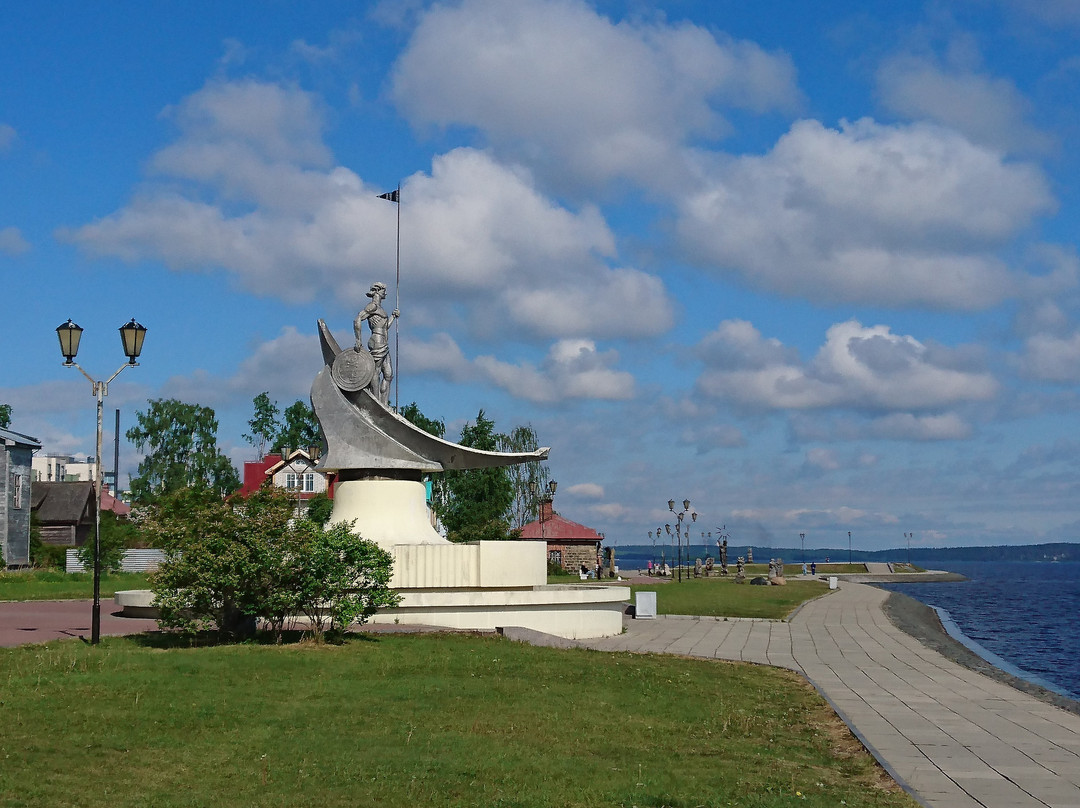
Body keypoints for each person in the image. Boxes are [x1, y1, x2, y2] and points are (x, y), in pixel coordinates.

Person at [354, 281, 399, 406]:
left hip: (384, 341)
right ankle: (376, 401)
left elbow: (384, 328)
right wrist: (358, 340)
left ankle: (384, 404)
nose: (386, 293)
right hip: (377, 340)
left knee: (389, 374)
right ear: (378, 291)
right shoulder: (372, 306)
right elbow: (357, 319)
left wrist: (393, 317)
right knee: (376, 372)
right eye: (384, 290)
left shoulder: (380, 309)